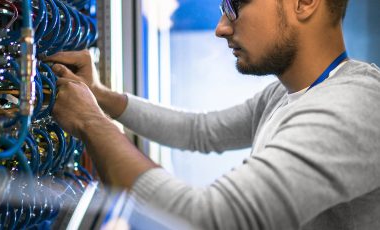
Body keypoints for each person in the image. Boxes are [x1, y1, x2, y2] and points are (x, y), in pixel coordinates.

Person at [45, 0, 380, 229]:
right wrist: (100, 96)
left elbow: (210, 219)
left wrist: (90, 123)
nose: (221, 28)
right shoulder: (286, 94)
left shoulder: (354, 106)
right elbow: (199, 131)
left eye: (235, 5)